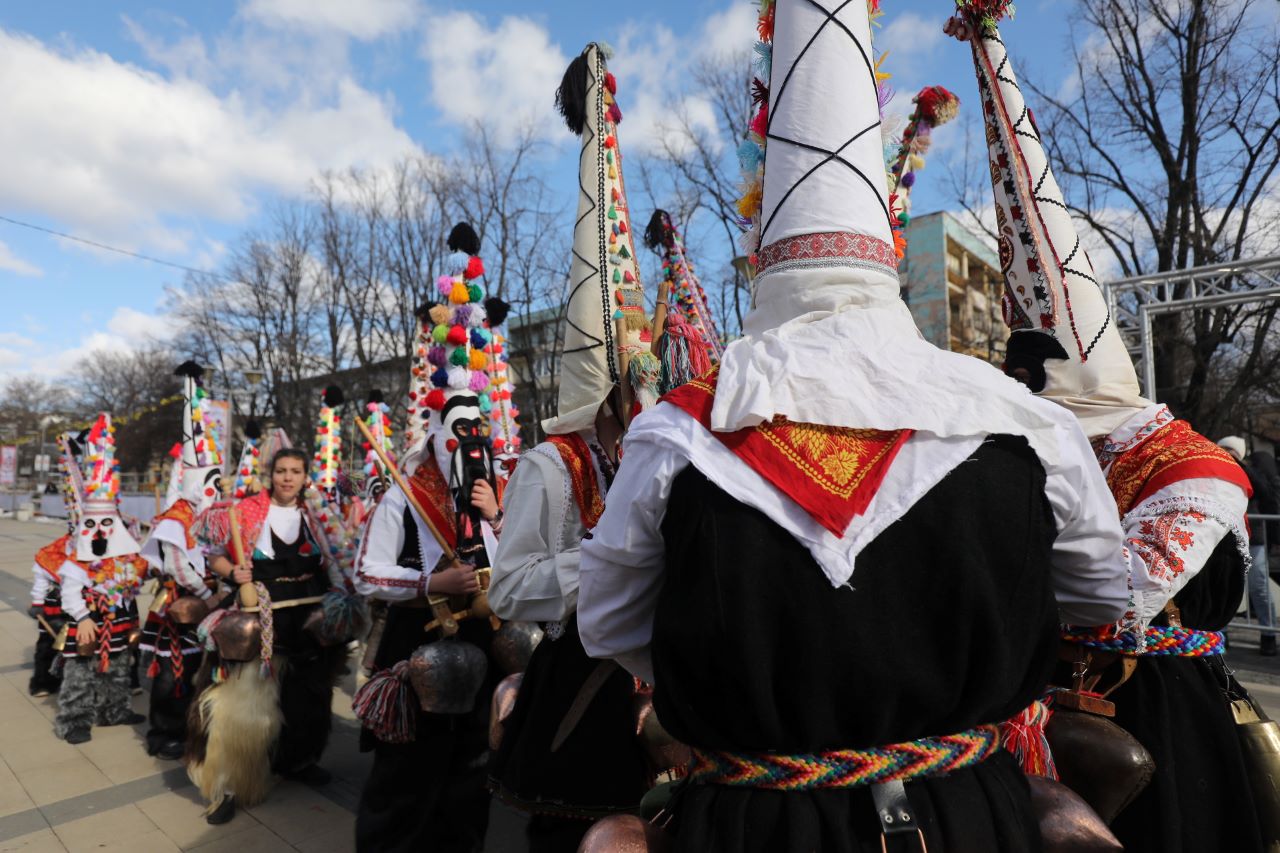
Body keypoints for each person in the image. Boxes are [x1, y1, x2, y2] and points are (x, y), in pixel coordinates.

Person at [577, 2, 1131, 850]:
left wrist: (739, 687)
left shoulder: (676, 436)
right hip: (971, 817)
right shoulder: (1028, 424)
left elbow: (609, 621)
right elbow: (1102, 593)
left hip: (755, 822)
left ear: (765, 260)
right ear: (890, 265)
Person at [945, 6, 1264, 850]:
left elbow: (1120, 598)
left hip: (1161, 725)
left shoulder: (1194, 469)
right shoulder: (1047, 457)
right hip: (1052, 722)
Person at [486, 44, 655, 853]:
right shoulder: (550, 467)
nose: (642, 400)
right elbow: (511, 589)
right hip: (578, 692)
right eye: (629, 386)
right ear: (605, 389)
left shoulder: (648, 459)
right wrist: (605, 562)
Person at [352, 223, 505, 853]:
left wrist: (497, 520)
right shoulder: (404, 491)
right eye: (459, 431)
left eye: (478, 431)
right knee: (406, 781)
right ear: (440, 433)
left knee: (469, 778)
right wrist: (428, 582)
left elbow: (516, 566)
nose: (469, 443)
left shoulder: (494, 491)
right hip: (415, 642)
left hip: (481, 643)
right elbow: (367, 573)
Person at [188, 446, 354, 825]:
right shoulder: (244, 511)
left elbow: (342, 557)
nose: (288, 478)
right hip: (260, 612)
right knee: (244, 704)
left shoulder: (319, 513)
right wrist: (232, 572)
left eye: (296, 470)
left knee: (309, 696)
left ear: (305, 475)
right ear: (271, 474)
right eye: (281, 470)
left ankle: (298, 761)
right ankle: (228, 786)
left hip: (309, 616)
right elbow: (212, 554)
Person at [138, 362, 222, 759]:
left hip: (210, 599)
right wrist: (207, 591)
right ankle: (164, 731)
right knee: (172, 668)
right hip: (180, 600)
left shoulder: (213, 514)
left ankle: (193, 727)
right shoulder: (178, 517)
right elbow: (176, 562)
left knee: (199, 667)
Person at [53, 414, 148, 744]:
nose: (98, 534)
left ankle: (114, 710)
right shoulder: (79, 557)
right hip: (90, 622)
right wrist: (82, 618)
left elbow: (133, 584)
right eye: (92, 527)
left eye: (106, 526)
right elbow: (69, 590)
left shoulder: (125, 556)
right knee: (80, 674)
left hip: (120, 621)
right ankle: (75, 720)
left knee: (119, 668)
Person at [1220, 436, 1278, 655]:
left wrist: (1240, 464)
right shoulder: (1219, 468)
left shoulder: (1252, 471)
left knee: (1259, 588)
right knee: (1225, 587)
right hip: (1227, 538)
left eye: (1228, 450)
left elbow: (1265, 492)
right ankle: (1221, 632)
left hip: (1254, 538)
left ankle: (1268, 634)